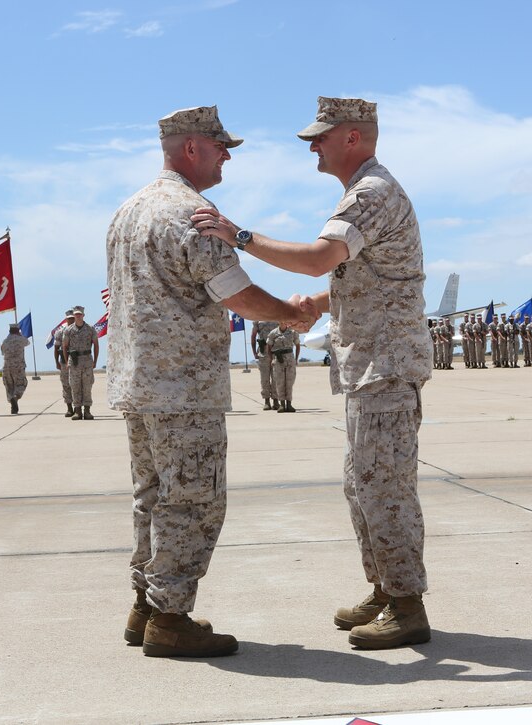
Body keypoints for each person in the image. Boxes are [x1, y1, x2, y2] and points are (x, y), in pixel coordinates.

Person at [192, 96, 433, 650]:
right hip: (370, 364)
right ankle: (385, 587)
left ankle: (406, 603)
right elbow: (367, 276)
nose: (311, 146)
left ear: (353, 137)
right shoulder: (364, 193)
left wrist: (240, 236)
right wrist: (325, 302)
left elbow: (319, 256)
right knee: (362, 485)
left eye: (320, 136)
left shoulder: (371, 193)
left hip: (386, 366)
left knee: (384, 487)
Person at [106, 105, 317, 658]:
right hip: (183, 388)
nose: (228, 156)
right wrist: (290, 315)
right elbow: (237, 295)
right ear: (193, 148)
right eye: (223, 146)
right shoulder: (192, 214)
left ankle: (144, 606)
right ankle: (171, 619)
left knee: (151, 497)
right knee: (194, 500)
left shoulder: (128, 211)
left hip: (138, 386)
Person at [62, 306, 99, 420]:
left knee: (87, 386)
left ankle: (87, 411)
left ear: (83, 315)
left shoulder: (90, 329)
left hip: (87, 360)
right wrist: (67, 361)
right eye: (76, 314)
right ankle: (77, 411)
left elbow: (96, 345)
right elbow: (64, 346)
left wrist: (95, 361)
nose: (78, 316)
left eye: (80, 314)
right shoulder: (68, 330)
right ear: (74, 316)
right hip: (74, 361)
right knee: (75, 386)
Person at [266, 322, 300, 412]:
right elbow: (268, 347)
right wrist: (271, 359)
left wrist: (296, 359)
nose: (283, 321)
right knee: (279, 382)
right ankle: (282, 405)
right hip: (278, 360)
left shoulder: (293, 332)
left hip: (290, 359)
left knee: (289, 382)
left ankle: (289, 404)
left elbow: (297, 345)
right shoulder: (273, 333)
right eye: (281, 320)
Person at [0, 322, 30, 414]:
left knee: (9, 386)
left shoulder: (5, 341)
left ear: (9, 331)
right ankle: (15, 398)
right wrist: (20, 335)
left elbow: (2, 352)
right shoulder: (21, 339)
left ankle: (12, 403)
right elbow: (28, 342)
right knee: (21, 384)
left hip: (7, 367)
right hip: (18, 366)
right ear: (18, 331)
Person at [251, 320, 279, 409]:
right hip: (263, 353)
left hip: (276, 352)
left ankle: (275, 401)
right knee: (264, 379)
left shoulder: (278, 316)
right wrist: (254, 352)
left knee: (276, 378)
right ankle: (266, 401)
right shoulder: (258, 320)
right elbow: (253, 336)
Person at [54, 308, 75, 417]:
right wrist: (56, 362)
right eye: (69, 319)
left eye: (72, 318)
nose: (71, 320)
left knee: (76, 385)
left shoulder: (79, 331)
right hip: (64, 362)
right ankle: (69, 408)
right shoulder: (60, 332)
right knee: (66, 385)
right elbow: (56, 348)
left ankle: (78, 408)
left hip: (77, 362)